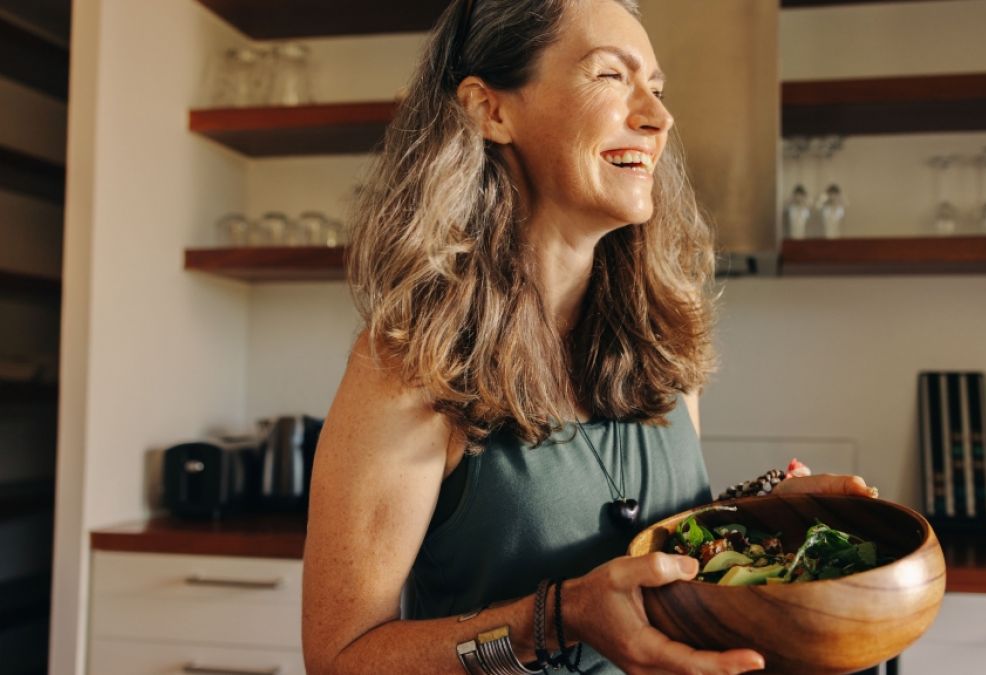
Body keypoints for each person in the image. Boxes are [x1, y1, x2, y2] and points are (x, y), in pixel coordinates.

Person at [300, 1, 877, 673]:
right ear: (491, 111)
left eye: (657, 90)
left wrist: (758, 512)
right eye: (611, 76)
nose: (658, 118)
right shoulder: (410, 364)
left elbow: (660, 553)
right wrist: (556, 615)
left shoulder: (664, 340)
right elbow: (340, 660)